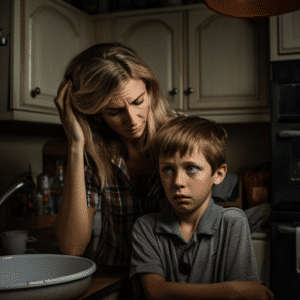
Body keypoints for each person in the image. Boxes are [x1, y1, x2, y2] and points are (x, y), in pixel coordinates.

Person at [54, 43, 177, 268]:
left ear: (150, 90)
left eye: (138, 101)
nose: (132, 119)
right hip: (115, 277)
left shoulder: (183, 135)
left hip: (173, 281)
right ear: (96, 113)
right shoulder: (92, 152)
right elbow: (72, 247)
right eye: (114, 111)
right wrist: (75, 144)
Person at [130, 116, 274, 300]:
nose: (177, 182)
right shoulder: (146, 227)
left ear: (218, 174)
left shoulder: (232, 221)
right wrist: (231, 290)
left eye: (191, 168)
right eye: (167, 169)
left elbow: (248, 295)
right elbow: (155, 292)